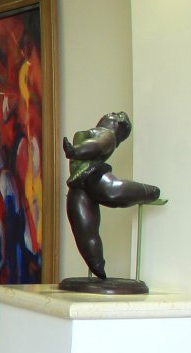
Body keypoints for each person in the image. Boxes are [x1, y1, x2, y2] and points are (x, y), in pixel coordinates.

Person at [62, 111, 161, 288]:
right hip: (78, 185)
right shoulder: (94, 133)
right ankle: (97, 265)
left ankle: (150, 191)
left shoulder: (106, 134)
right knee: (83, 228)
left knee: (114, 191)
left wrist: (74, 151)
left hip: (93, 176)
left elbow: (97, 146)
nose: (110, 114)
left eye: (114, 115)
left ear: (116, 125)